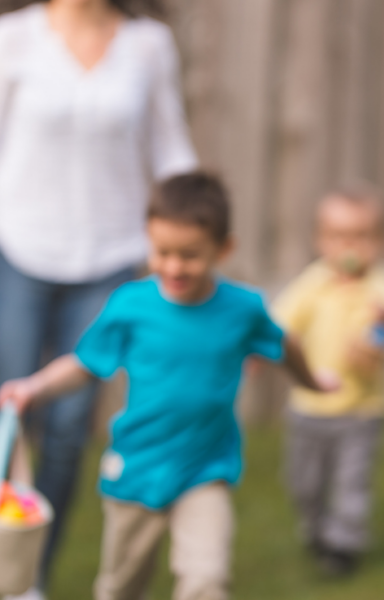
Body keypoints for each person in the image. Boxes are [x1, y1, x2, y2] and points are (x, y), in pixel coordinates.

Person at [0, 172, 337, 600]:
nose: (174, 266)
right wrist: (34, 388)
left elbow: (284, 342)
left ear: (224, 248)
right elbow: (86, 364)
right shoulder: (131, 305)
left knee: (206, 579)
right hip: (136, 469)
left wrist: (313, 382)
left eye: (190, 255)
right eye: (162, 252)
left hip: (205, 469)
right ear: (148, 240)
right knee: (120, 588)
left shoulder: (243, 309)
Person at [0, 0, 196, 595]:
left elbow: (171, 153)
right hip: (18, 253)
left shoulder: (148, 45)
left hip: (108, 259)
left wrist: (200, 229)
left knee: (65, 426)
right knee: (10, 416)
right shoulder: (13, 36)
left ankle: (30, 573)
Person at [272, 184, 384, 575]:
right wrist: (258, 356)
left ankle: (343, 547)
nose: (349, 247)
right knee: (303, 483)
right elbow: (278, 324)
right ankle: (315, 529)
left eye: (361, 237)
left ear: (382, 242)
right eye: (338, 237)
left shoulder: (379, 285)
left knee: (350, 481)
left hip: (363, 410)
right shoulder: (314, 283)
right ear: (319, 240)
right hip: (309, 406)